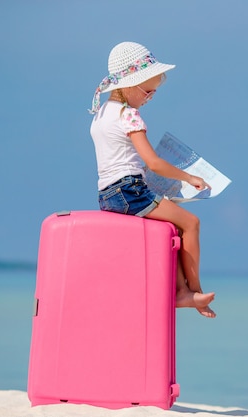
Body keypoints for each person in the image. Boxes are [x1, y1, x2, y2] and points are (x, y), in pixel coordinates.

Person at [88, 41, 216, 318]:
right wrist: (190, 177)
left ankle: (182, 290)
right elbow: (153, 162)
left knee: (174, 225)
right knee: (191, 223)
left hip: (107, 194)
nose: (149, 98)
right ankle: (192, 293)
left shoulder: (101, 114)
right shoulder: (129, 116)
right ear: (130, 85)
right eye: (147, 92)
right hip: (130, 192)